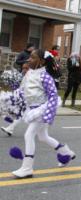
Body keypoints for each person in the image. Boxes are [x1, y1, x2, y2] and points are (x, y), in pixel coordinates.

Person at [9, 49, 75, 178]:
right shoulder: (29, 74)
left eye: (33, 58)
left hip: (41, 111)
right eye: (30, 57)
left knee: (29, 135)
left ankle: (27, 168)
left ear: (42, 61)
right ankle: (66, 153)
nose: (29, 60)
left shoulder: (45, 76)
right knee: (43, 137)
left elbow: (53, 96)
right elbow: (23, 91)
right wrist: (13, 89)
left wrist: (48, 115)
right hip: (32, 110)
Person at [1, 64, 30, 136]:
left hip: (28, 98)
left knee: (21, 114)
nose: (24, 70)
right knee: (19, 114)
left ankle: (10, 127)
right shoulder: (22, 75)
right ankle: (10, 127)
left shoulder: (31, 76)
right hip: (21, 97)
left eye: (26, 68)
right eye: (23, 68)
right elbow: (18, 85)